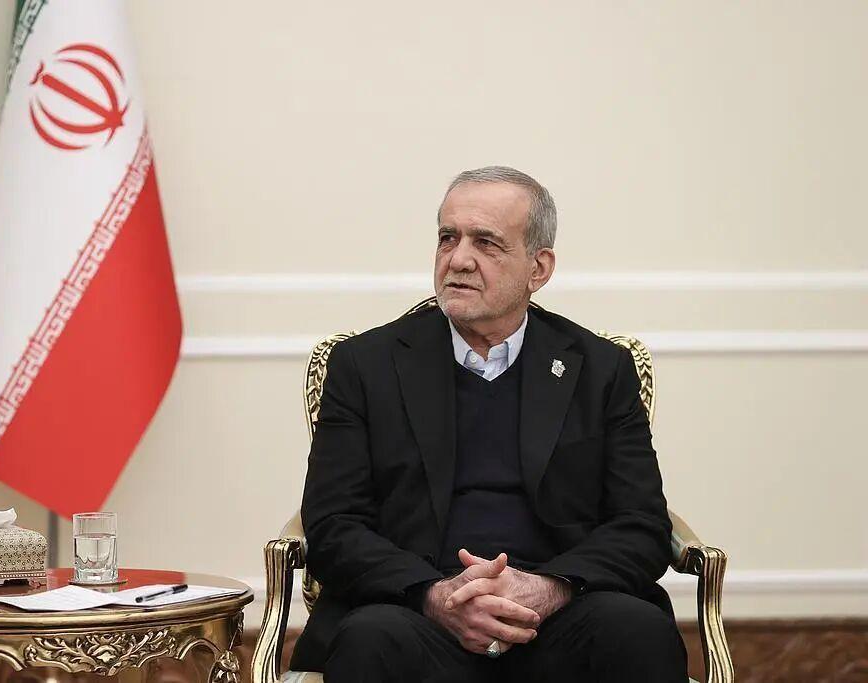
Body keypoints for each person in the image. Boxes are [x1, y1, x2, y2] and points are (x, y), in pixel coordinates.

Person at [290, 166, 689, 682]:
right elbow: (333, 523)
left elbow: (641, 524)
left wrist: (549, 589)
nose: (458, 259)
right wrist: (436, 596)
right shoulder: (365, 366)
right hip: (414, 613)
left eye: (486, 243)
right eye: (447, 238)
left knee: (636, 631)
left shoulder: (601, 369)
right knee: (370, 638)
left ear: (538, 268)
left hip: (560, 613)